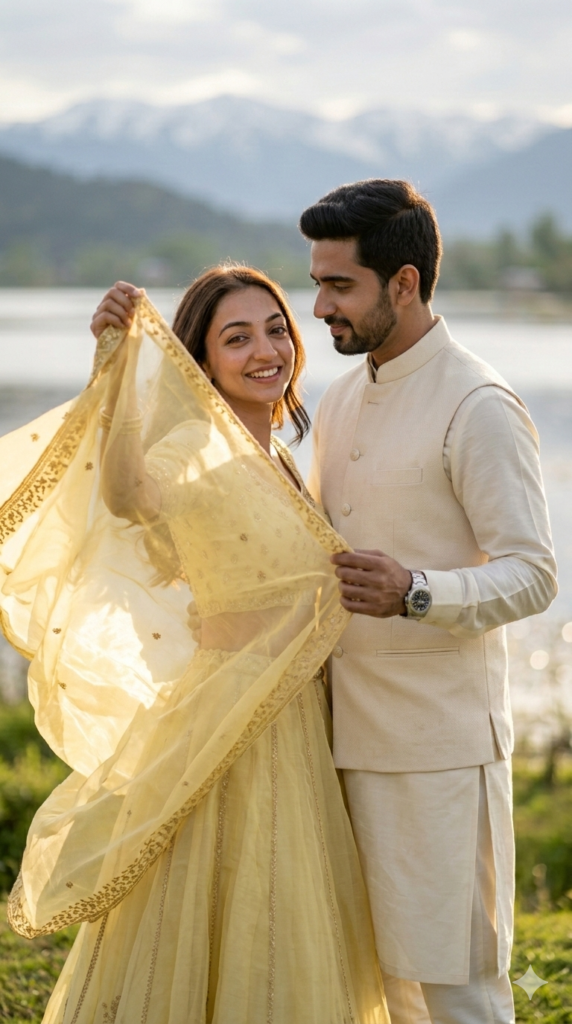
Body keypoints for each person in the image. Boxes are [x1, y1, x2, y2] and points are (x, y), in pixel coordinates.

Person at [0, 266, 388, 1023]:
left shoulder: (280, 456)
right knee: (212, 912)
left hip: (295, 724)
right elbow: (127, 495)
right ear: (201, 361)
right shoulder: (192, 448)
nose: (265, 351)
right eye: (236, 339)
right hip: (229, 724)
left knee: (284, 916)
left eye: (275, 329)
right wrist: (115, 363)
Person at [300, 180, 557, 1024]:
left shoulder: (478, 404)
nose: (320, 307)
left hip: (442, 758)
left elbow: (534, 573)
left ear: (404, 283)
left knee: (459, 991)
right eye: (318, 283)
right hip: (342, 749)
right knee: (388, 994)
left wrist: (415, 592)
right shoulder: (342, 399)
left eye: (340, 286)